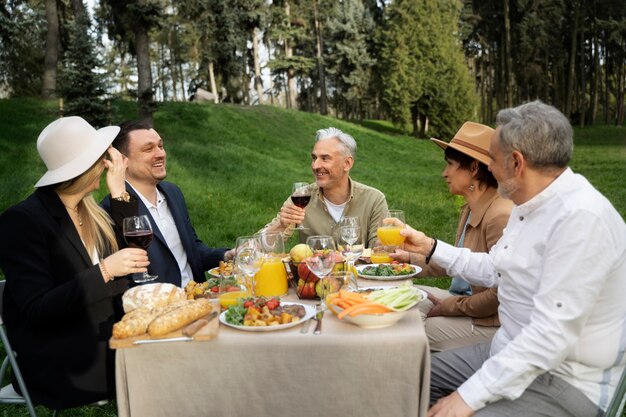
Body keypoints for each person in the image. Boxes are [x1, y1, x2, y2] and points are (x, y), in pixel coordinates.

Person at [395, 101, 625, 417]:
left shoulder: (580, 220)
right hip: (508, 349)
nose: (487, 166)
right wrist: (431, 246)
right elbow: (497, 268)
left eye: (491, 158)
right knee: (414, 377)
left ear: (516, 162)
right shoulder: (528, 203)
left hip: (565, 380)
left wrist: (467, 398)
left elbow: (549, 337)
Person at [0, 116, 148, 409]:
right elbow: (37, 309)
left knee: (170, 343)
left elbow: (136, 252)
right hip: (61, 357)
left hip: (105, 333)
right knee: (159, 362)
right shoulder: (22, 221)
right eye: (102, 157)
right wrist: (105, 271)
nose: (109, 163)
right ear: (83, 166)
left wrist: (119, 192)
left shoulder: (90, 212)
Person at [391, 122, 513, 352]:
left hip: (490, 323)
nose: (444, 173)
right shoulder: (471, 208)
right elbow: (454, 263)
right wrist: (406, 259)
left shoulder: (500, 216)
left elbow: (499, 294)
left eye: (450, 165)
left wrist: (450, 306)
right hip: (462, 302)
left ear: (474, 168)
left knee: (403, 332)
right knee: (398, 299)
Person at [101, 120, 233, 288]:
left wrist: (227, 255)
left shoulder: (172, 192)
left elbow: (192, 251)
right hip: (161, 307)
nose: (160, 154)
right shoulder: (110, 210)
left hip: (199, 298)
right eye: (149, 149)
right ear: (122, 160)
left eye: (161, 146)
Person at [260, 127, 388, 247]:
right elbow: (252, 250)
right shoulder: (301, 197)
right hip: (312, 271)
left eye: (325, 158)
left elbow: (383, 253)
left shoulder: (373, 200)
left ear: (347, 163)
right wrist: (280, 225)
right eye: (314, 158)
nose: (315, 166)